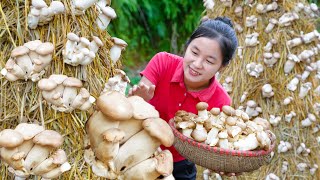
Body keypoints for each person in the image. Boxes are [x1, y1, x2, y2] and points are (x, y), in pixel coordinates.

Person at [128, 16, 238, 180]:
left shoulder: (221, 101)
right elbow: (131, 112)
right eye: (194, 52)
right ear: (187, 46)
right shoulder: (163, 62)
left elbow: (213, 146)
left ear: (222, 66)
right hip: (137, 153)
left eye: (209, 61)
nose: (197, 64)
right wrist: (137, 101)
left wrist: (223, 163)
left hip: (179, 167)